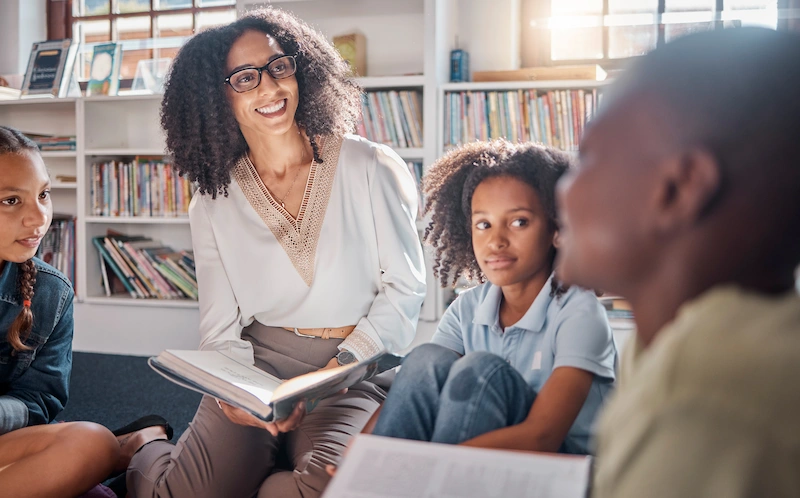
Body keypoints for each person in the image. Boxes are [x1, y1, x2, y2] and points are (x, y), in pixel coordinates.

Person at [126, 7, 426, 498]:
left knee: (328, 490)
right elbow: (221, 324)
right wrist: (236, 395)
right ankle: (146, 444)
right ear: (216, 97)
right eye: (245, 78)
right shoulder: (212, 200)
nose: (269, 89)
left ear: (300, 69)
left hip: (352, 366)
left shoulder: (371, 166)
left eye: (278, 67)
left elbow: (405, 287)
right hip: (257, 364)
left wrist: (343, 366)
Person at [555, 27, 800, 497]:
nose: (563, 191)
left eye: (586, 159)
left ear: (678, 189)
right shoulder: (675, 343)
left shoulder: (703, 394)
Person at [367, 140, 616, 454]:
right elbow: (415, 385)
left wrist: (430, 466)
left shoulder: (579, 312)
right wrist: (357, 456)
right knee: (425, 359)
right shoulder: (466, 309)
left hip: (565, 471)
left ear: (557, 230)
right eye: (483, 224)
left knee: (482, 371)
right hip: (473, 465)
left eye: (518, 222)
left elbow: (542, 437)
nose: (496, 240)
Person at [0, 126, 171, 497]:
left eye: (43, 195)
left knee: (92, 445)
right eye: (11, 201)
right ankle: (135, 447)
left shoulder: (50, 292)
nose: (38, 217)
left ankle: (123, 449)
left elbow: (40, 401)